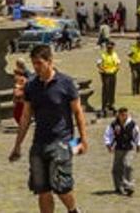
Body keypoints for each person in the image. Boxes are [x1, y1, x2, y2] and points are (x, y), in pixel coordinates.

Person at [9, 44, 88, 213]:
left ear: (50, 61)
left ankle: (73, 210)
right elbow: (25, 117)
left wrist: (82, 141)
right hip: (39, 143)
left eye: (39, 63)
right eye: (34, 64)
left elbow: (78, 113)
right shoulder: (31, 86)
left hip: (62, 141)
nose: (36, 67)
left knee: (61, 185)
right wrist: (17, 145)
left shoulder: (66, 83)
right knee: (42, 189)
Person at [102, 107, 140, 197]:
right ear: (118, 115)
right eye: (122, 115)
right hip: (118, 148)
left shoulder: (132, 124)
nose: (124, 117)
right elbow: (108, 135)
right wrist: (109, 145)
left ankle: (129, 186)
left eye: (126, 115)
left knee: (127, 165)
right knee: (117, 168)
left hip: (129, 148)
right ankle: (118, 186)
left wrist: (138, 144)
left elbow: (137, 134)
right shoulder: (114, 124)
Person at [96, 40, 120, 118]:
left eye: (111, 47)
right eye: (108, 47)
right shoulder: (103, 55)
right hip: (105, 75)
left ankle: (111, 104)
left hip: (113, 74)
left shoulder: (115, 55)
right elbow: (98, 64)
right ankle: (104, 105)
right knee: (106, 90)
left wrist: (116, 69)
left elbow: (118, 64)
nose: (110, 49)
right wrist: (103, 70)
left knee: (112, 89)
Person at [12, 59, 30, 126]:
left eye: (15, 75)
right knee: (17, 114)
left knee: (19, 113)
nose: (14, 76)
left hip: (22, 99)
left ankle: (23, 125)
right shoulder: (19, 80)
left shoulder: (24, 79)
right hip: (19, 100)